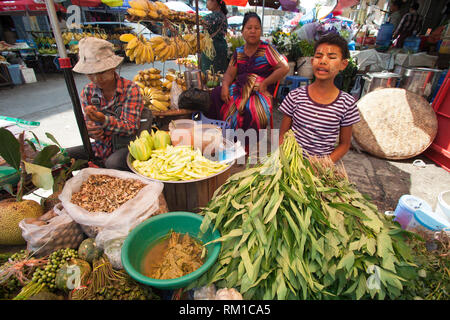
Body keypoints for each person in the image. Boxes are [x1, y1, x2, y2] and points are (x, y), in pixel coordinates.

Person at [67, 37, 147, 170]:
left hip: (127, 145)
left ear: (113, 68)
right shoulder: (88, 91)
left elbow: (130, 127)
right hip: (101, 146)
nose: (97, 79)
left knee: (113, 163)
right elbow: (90, 125)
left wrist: (104, 120)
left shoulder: (130, 89)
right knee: (63, 156)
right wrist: (92, 130)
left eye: (101, 73)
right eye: (91, 74)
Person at [278, 33, 360, 163]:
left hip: (321, 169)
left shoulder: (347, 103)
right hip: (291, 164)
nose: (323, 61)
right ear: (312, 62)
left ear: (343, 64)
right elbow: (283, 135)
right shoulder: (295, 96)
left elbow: (344, 145)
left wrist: (324, 164)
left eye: (331, 57)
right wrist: (284, 160)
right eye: (318, 56)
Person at [207, 12, 289, 132]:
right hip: (239, 89)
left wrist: (265, 83)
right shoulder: (239, 52)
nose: (253, 31)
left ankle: (245, 144)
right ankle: (221, 132)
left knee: (251, 108)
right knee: (215, 93)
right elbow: (230, 74)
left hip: (259, 92)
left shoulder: (267, 49)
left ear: (260, 31)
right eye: (249, 28)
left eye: (256, 28)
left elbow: (284, 67)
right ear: (242, 31)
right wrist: (224, 86)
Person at [200, 0, 229, 74]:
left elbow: (197, 20)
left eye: (208, 1)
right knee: (219, 75)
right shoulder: (223, 16)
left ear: (215, 2)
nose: (207, 5)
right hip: (221, 48)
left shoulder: (213, 16)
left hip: (213, 49)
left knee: (210, 74)